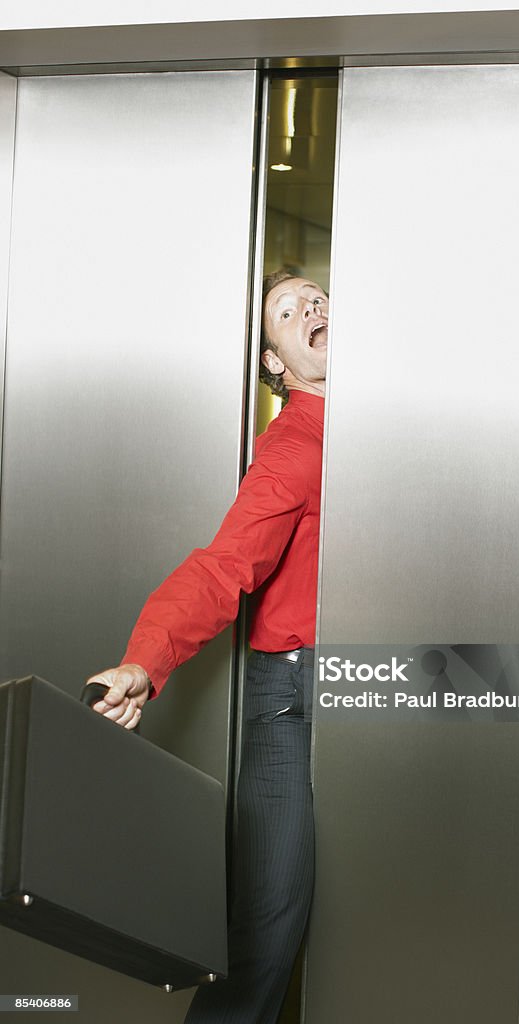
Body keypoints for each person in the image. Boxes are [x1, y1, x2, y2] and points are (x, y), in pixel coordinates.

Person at [86, 270, 329, 1024]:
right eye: (287, 312)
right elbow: (226, 565)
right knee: (267, 932)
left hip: (373, 682)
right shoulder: (293, 444)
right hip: (288, 698)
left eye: (319, 295)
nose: (311, 307)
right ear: (275, 361)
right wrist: (144, 659)